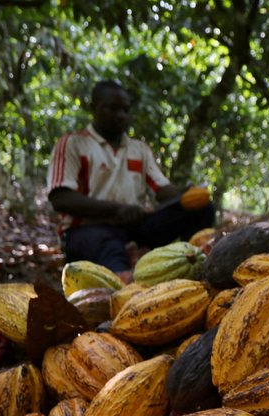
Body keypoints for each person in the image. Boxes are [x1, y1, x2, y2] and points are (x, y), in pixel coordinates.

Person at [47, 80, 214, 280]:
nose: (121, 116)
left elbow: (161, 189)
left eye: (126, 110)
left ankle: (193, 266)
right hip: (87, 229)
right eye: (113, 108)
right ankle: (126, 285)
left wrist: (184, 192)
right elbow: (61, 198)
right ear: (94, 107)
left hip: (135, 226)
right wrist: (116, 209)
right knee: (114, 261)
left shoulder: (139, 149)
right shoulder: (74, 143)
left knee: (202, 207)